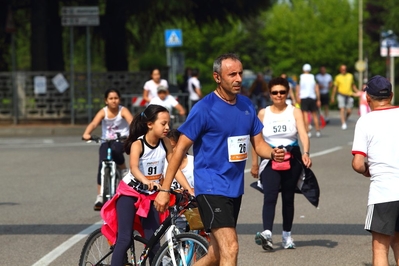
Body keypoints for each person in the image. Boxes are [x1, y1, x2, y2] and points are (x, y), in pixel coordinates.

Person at [154, 53, 286, 265]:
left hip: (234, 187)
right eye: (232, 74)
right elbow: (178, 150)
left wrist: (272, 153)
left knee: (217, 253)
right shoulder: (204, 109)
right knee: (231, 247)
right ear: (217, 77)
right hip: (211, 186)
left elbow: (258, 144)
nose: (238, 79)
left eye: (240, 73)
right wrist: (164, 190)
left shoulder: (246, 105)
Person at [102, 104, 193, 266]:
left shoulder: (165, 142)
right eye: (163, 123)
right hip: (130, 193)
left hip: (150, 196)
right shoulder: (138, 144)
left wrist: (188, 188)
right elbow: (134, 168)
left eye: (168, 123)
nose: (167, 127)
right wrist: (145, 180)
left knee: (154, 242)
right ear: (150, 124)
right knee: (124, 238)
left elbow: (174, 167)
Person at [250, 77, 311, 251]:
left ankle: (287, 236)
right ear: (270, 94)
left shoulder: (294, 111)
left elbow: (303, 135)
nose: (279, 95)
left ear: (287, 93)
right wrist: (254, 164)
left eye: (282, 92)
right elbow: (256, 140)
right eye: (275, 92)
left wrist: (306, 153)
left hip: (291, 158)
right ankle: (267, 233)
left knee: (288, 198)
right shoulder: (263, 113)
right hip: (270, 158)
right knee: (269, 196)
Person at [351, 75, 399, 266]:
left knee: (381, 247)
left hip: (384, 192)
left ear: (368, 98)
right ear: (392, 95)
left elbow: (358, 163)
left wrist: (366, 170)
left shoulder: (366, 122)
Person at [82, 88, 133, 211]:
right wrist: (87, 133)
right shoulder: (103, 112)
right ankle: (100, 196)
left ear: (119, 99)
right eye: (111, 98)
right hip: (106, 140)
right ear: (106, 101)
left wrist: (133, 133)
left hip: (120, 140)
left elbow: (131, 122)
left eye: (116, 98)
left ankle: (122, 169)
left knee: (116, 148)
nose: (113, 101)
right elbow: (94, 123)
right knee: (102, 163)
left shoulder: (123, 110)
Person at [296, 64, 321, 138]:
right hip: (312, 97)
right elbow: (316, 88)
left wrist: (297, 96)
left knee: (305, 115)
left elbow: (298, 88)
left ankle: (308, 131)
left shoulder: (300, 77)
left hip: (304, 97)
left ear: (303, 69)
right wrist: (318, 99)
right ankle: (318, 131)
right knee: (314, 115)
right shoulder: (313, 77)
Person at [331, 64, 359, 130]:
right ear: (340, 70)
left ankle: (345, 119)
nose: (344, 70)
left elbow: (353, 85)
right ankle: (343, 123)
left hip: (349, 95)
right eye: (342, 69)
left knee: (349, 110)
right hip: (341, 94)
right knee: (342, 108)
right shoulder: (338, 77)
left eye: (345, 69)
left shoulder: (350, 76)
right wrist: (332, 96)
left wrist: (357, 91)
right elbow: (335, 87)